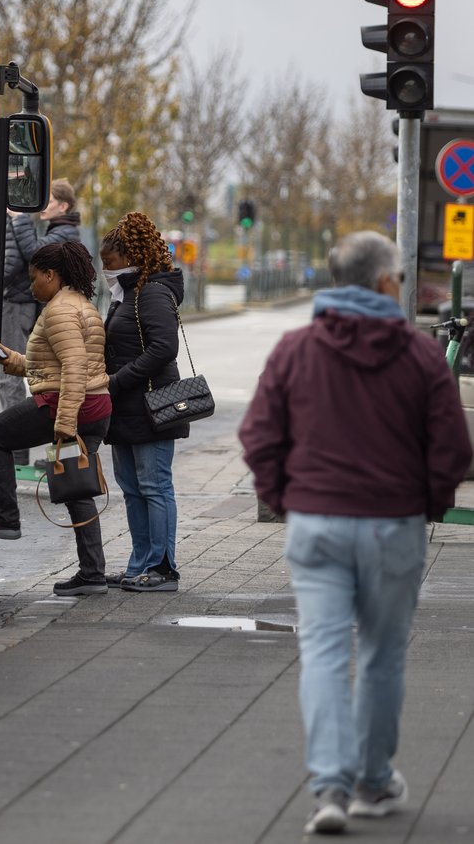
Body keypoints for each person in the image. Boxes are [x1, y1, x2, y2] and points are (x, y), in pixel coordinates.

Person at [238, 231, 472, 836]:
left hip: (316, 523)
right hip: (393, 525)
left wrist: (288, 498)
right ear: (387, 283)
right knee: (381, 655)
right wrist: (429, 505)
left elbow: (259, 436)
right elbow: (453, 449)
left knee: (321, 651)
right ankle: (373, 780)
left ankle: (330, 789)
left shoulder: (296, 349)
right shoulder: (421, 356)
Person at [0, 239, 112, 596]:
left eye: (34, 279)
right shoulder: (80, 304)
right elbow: (53, 366)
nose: (31, 286)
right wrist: (10, 360)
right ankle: (92, 573)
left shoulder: (60, 311)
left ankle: (6, 517)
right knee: (78, 490)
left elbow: (75, 367)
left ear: (51, 275)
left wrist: (64, 424)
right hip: (94, 407)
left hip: (68, 406)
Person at [99, 211, 186, 592]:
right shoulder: (127, 294)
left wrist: (117, 380)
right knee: (133, 489)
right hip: (127, 408)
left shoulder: (151, 292)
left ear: (131, 256)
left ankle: (162, 568)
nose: (106, 270)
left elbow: (165, 348)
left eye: (110, 263)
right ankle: (139, 566)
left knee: (154, 486)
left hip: (151, 406)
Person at [2, 178, 81, 466]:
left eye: (47, 201)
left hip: (57, 316)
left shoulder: (64, 234)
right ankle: (62, 460)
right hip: (53, 314)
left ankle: (63, 462)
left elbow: (35, 252)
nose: (41, 206)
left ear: (63, 205)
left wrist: (20, 218)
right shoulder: (61, 231)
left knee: (59, 388)